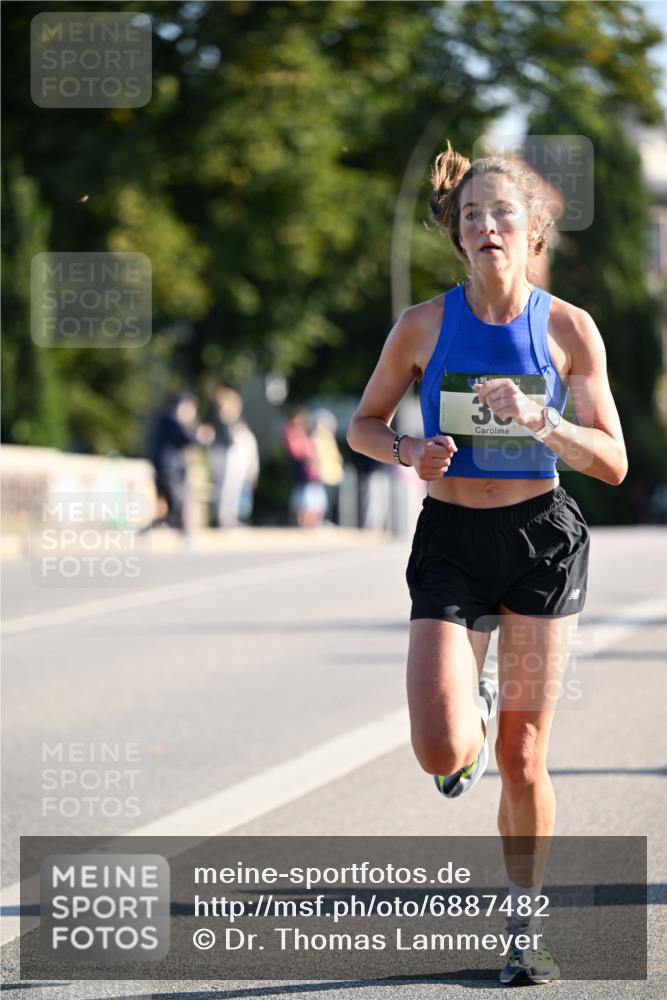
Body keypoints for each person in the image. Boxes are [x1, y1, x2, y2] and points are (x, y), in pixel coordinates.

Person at [346, 139, 627, 985]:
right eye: (470, 215)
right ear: (458, 236)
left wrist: (543, 424)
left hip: (541, 539)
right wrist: (404, 449)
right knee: (439, 747)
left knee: (526, 753)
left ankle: (522, 922)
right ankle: (456, 747)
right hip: (450, 543)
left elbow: (611, 460)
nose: (485, 226)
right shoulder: (423, 325)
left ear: (532, 228)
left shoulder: (568, 329)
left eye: (501, 213)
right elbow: (361, 423)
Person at [149, 392, 213, 532]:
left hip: (169, 468)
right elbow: (187, 439)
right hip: (168, 468)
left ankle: (170, 522)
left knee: (171, 498)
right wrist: (200, 434)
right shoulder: (171, 419)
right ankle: (170, 523)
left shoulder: (171, 419)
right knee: (174, 498)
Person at [283, 407, 328, 528]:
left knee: (313, 498)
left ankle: (311, 522)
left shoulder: (302, 432)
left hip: (309, 471)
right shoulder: (292, 431)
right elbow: (297, 451)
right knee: (305, 499)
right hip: (302, 469)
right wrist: (309, 457)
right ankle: (304, 522)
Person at [310, 409, 344, 524]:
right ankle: (322, 521)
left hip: (332, 473)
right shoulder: (317, 438)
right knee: (322, 501)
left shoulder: (328, 438)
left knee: (329, 500)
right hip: (323, 473)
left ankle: (326, 520)